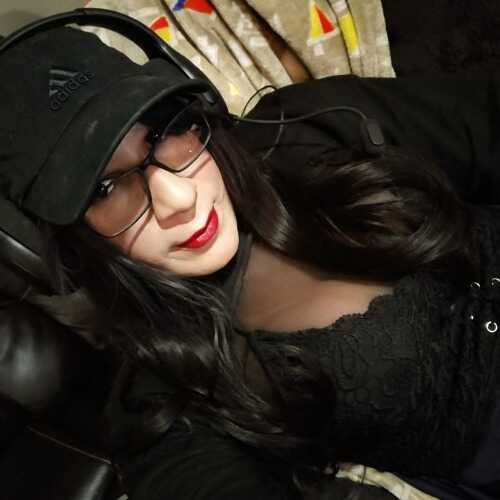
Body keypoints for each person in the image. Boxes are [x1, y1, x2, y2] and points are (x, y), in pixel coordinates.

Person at [1, 19, 500, 500]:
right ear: (74, 242)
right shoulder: (166, 399)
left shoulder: (307, 124)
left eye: (161, 133)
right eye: (106, 188)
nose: (179, 198)